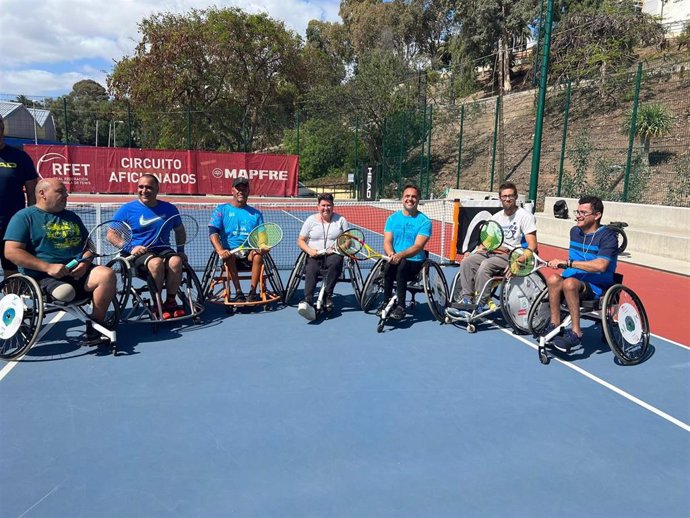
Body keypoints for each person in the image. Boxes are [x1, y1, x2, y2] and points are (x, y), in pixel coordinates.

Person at [4, 178, 117, 344]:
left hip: (79, 271)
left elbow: (89, 247)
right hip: (43, 276)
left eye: (65, 192)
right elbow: (11, 252)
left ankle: (95, 325)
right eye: (60, 192)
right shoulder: (24, 217)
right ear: (42, 194)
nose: (66, 195)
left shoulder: (72, 217)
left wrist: (85, 264)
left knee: (107, 275)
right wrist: (48, 267)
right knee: (66, 293)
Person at [543, 195, 619, 352]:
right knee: (553, 279)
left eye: (583, 212)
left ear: (597, 215)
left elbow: (601, 266)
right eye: (577, 211)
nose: (578, 215)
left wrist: (567, 263)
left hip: (597, 284)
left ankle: (576, 331)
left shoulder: (608, 236)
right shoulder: (575, 232)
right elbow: (572, 263)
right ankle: (554, 325)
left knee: (569, 283)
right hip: (575, 278)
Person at [455, 182, 537, 312]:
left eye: (510, 196)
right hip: (492, 252)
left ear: (515, 197)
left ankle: (480, 302)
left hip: (511, 254)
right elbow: (486, 242)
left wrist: (519, 260)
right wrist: (474, 252)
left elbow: (532, 245)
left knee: (486, 264)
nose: (507, 199)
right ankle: (466, 298)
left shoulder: (525, 216)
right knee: (467, 261)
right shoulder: (496, 217)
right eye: (504, 196)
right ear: (500, 199)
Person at [113, 173, 186, 320]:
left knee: (176, 261)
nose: (144, 190)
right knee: (156, 263)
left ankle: (170, 302)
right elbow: (111, 234)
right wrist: (129, 247)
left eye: (149, 187)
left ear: (157, 189)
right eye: (141, 187)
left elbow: (179, 230)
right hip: (137, 253)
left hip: (163, 249)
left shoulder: (169, 209)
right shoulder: (127, 209)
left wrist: (181, 251)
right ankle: (157, 304)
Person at [209, 178, 267, 302]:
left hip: (249, 252)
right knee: (229, 256)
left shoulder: (256, 214)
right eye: (238, 189)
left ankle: (252, 292)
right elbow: (213, 232)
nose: (241, 191)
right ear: (232, 191)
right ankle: (239, 293)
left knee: (258, 255)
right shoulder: (221, 209)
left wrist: (263, 246)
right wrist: (220, 250)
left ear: (248, 191)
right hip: (230, 252)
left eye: (244, 189)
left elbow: (262, 237)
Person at [380, 184, 432, 321]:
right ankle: (386, 302)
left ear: (418, 199)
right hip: (395, 259)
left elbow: (418, 246)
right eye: (407, 196)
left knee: (402, 265)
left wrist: (400, 255)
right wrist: (391, 253)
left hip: (414, 262)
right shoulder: (392, 219)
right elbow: (387, 241)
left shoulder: (425, 221)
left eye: (413, 196)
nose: (410, 199)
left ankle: (401, 307)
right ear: (402, 198)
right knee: (387, 267)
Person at [296, 193, 349, 320]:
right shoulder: (310, 220)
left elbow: (348, 240)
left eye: (329, 205)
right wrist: (309, 250)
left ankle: (327, 295)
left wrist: (337, 249)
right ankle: (308, 300)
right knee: (311, 269)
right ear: (318, 206)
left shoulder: (341, 220)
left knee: (335, 262)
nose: (326, 208)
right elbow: (301, 240)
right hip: (315, 254)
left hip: (333, 254)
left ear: (333, 206)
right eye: (323, 205)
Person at [0, 116, 39, 278]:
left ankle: (12, 303)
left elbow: (33, 193)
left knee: (12, 273)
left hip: (12, 228)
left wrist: (31, 222)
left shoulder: (20, 157)